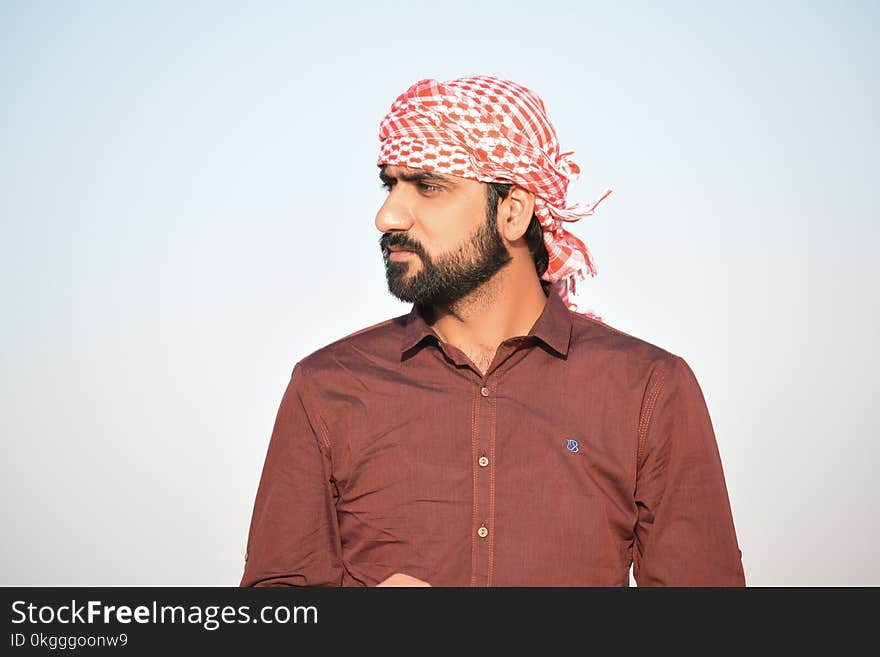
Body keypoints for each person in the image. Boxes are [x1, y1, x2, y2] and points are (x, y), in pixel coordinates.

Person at [239, 75, 745, 587]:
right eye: (390, 184)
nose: (386, 215)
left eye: (429, 186)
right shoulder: (328, 388)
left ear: (512, 211)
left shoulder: (646, 390)